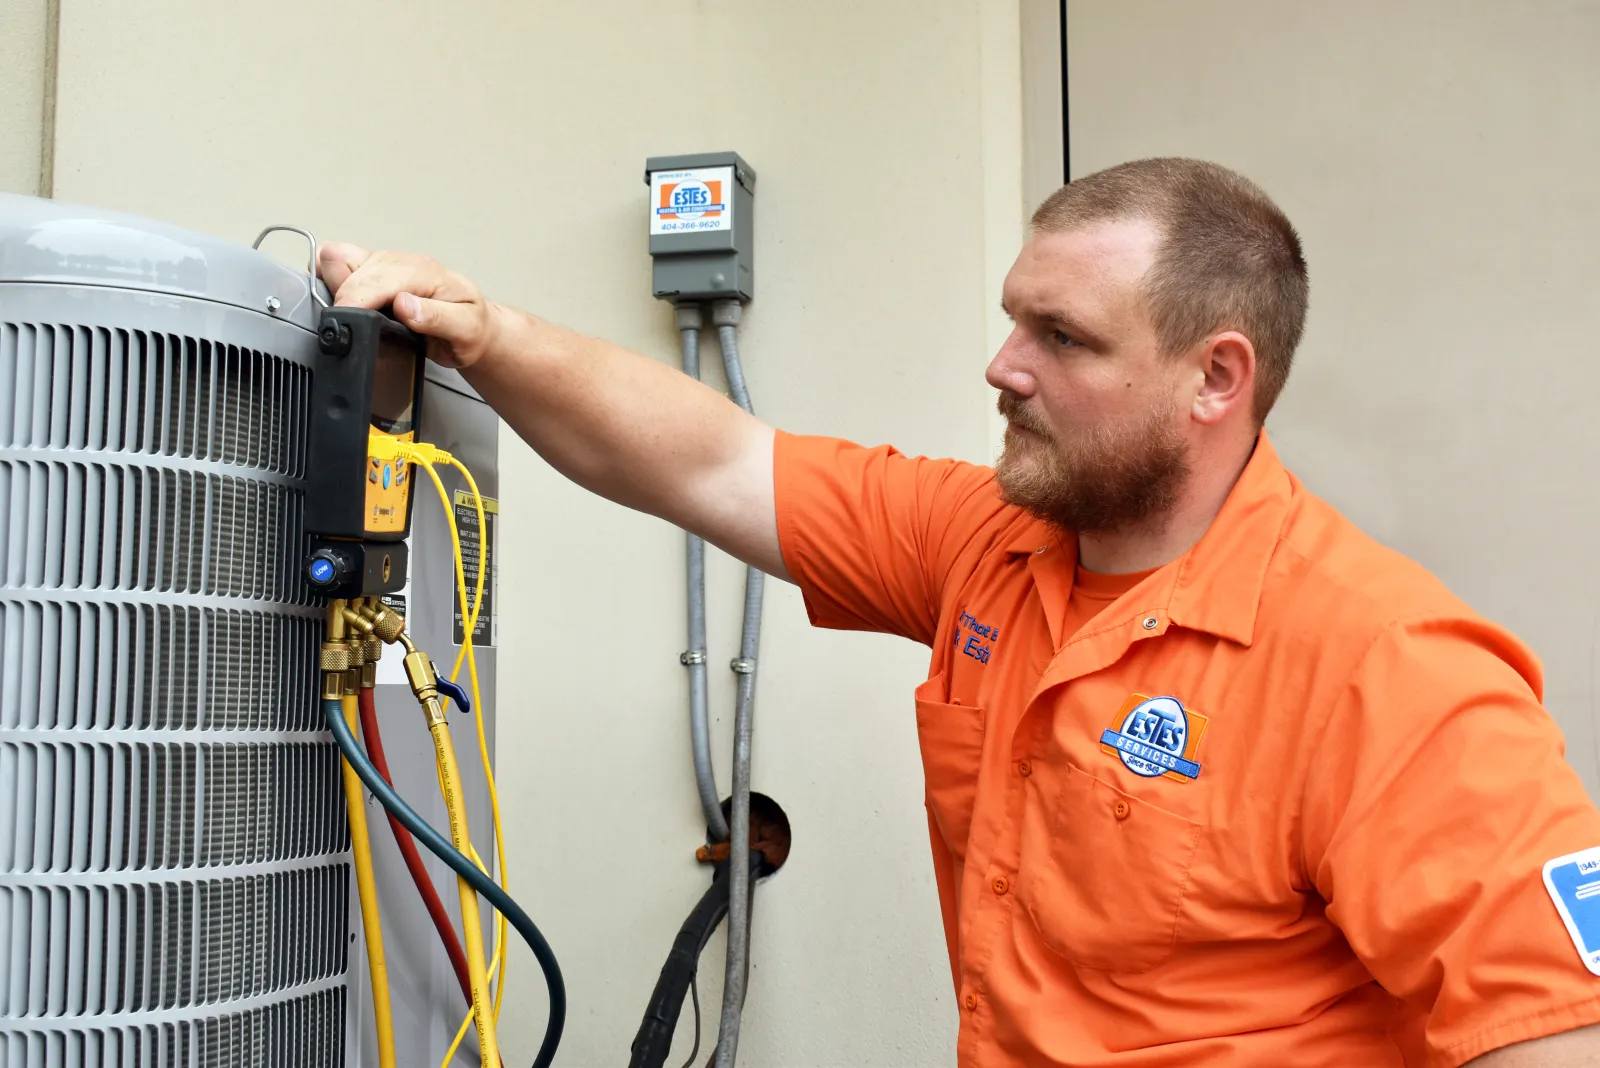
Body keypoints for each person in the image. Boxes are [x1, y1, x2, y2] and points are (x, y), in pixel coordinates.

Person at [319, 157, 1600, 1066]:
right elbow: (710, 461)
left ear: (1215, 378)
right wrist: (484, 331)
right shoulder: (991, 548)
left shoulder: (1391, 670)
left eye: (1062, 336)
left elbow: (1550, 1037)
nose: (1003, 366)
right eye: (1009, 321)